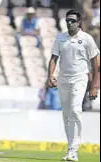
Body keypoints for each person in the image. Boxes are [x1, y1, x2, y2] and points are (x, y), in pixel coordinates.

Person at [46, 9, 100, 161]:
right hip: (63, 79)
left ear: (79, 23)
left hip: (80, 78)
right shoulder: (61, 37)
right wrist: (50, 76)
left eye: (72, 21)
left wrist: (94, 86)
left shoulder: (87, 39)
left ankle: (74, 149)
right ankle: (70, 149)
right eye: (67, 21)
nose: (69, 23)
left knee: (76, 111)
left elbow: (95, 63)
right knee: (67, 115)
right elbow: (54, 57)